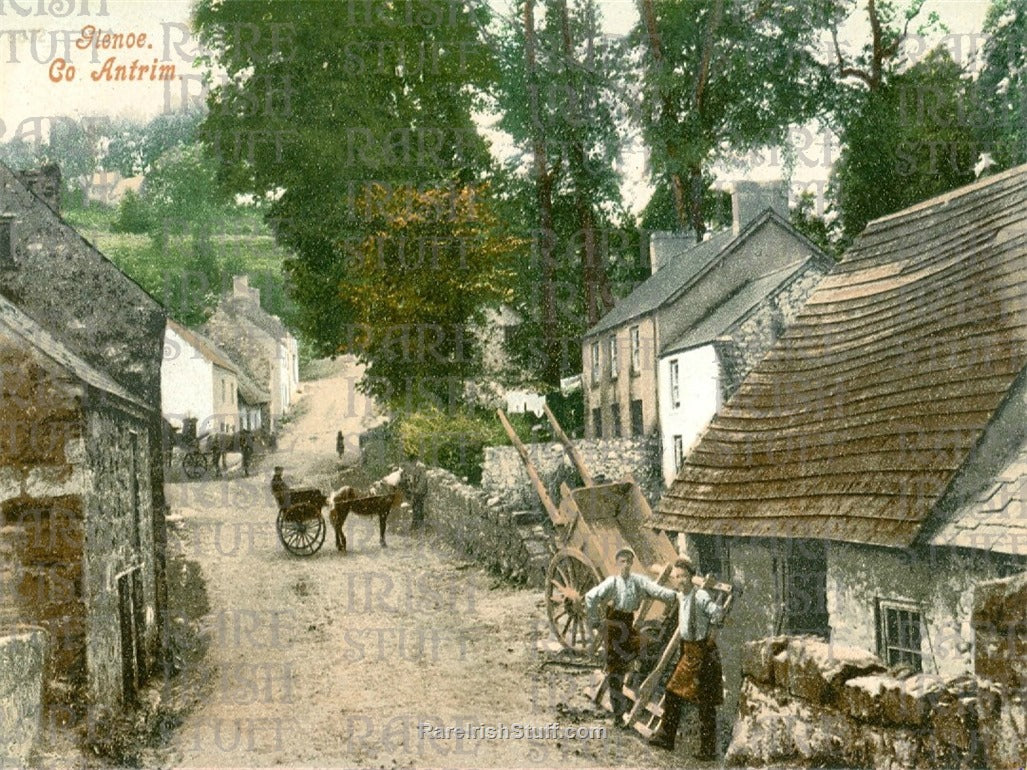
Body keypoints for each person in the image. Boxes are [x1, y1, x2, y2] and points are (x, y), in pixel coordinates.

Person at [584, 547, 678, 728]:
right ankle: (618, 715)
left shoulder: (638, 581)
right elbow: (590, 597)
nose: (626, 565)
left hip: (627, 625)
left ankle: (638, 677)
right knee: (615, 671)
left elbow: (657, 591)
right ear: (617, 564)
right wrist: (595, 621)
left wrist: (676, 595)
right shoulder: (611, 582)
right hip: (612, 627)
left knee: (651, 645)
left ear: (632, 563)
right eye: (622, 561)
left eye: (629, 561)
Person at [647, 556, 726, 760]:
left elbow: (716, 613)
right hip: (688, 651)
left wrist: (712, 630)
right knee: (673, 691)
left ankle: (707, 750)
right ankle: (667, 737)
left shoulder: (700, 596)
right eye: (676, 576)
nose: (679, 580)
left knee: (704, 701)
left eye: (683, 576)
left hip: (702, 652)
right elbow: (662, 593)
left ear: (691, 576)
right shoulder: (681, 596)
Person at [404, 461, 428, 530]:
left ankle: (418, 526)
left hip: (420, 493)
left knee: (419, 509)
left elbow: (422, 481)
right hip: (416, 493)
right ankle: (415, 525)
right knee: (415, 508)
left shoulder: (421, 468)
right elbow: (413, 480)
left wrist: (417, 490)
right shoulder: (414, 468)